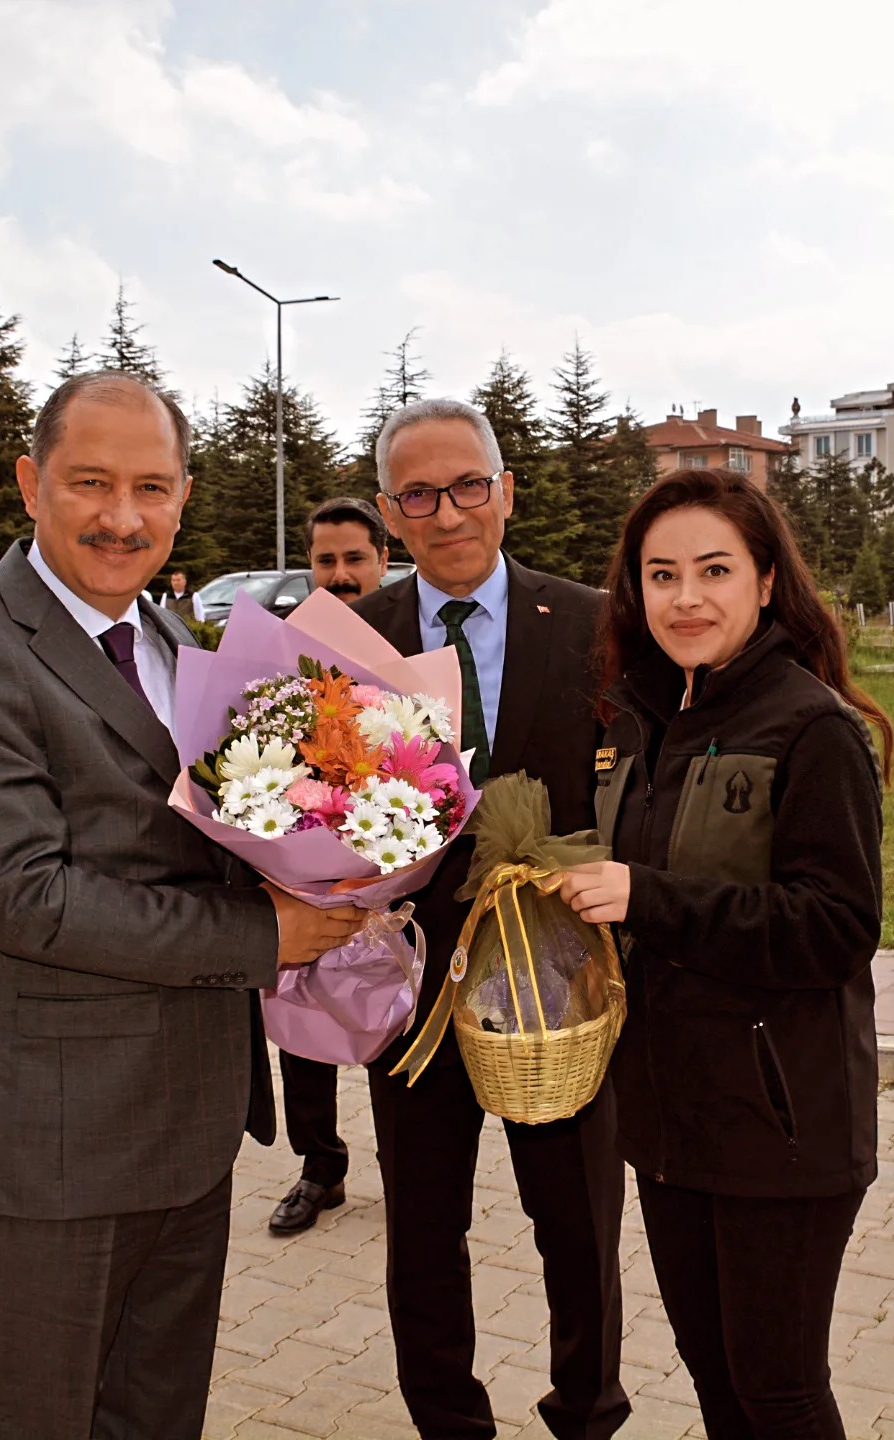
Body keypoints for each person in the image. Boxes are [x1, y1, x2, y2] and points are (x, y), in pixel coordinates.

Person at [0, 372, 364, 1440]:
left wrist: (332, 857)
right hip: (60, 1143)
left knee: (157, 1421)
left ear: (184, 496)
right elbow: (29, 901)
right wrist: (265, 934)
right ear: (29, 484)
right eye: (91, 483)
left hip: (188, 1125)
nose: (123, 516)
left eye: (150, 487)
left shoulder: (164, 634)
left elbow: (197, 834)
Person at [559, 468, 892, 1440]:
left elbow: (835, 927)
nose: (687, 597)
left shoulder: (810, 727)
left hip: (782, 1127)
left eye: (713, 569)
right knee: (716, 1381)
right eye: (662, 575)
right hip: (667, 1121)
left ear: (764, 581)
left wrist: (645, 898)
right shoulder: (641, 724)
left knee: (777, 1389)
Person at [351, 399, 629, 1440]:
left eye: (469, 485)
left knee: (578, 1226)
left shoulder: (599, 623)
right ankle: (450, 1424)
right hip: (411, 988)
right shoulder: (351, 638)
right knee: (423, 1232)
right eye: (419, 494)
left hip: (558, 976)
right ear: (390, 513)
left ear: (505, 491)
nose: (448, 511)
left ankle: (588, 1413)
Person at [267, 495, 390, 1236]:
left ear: (381, 558)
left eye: (354, 559)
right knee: (299, 1016)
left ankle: (409, 1163)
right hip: (302, 867)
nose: (340, 575)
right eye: (325, 560)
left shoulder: (412, 644)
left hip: (396, 870)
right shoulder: (281, 647)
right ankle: (320, 1167)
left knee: (391, 1013)